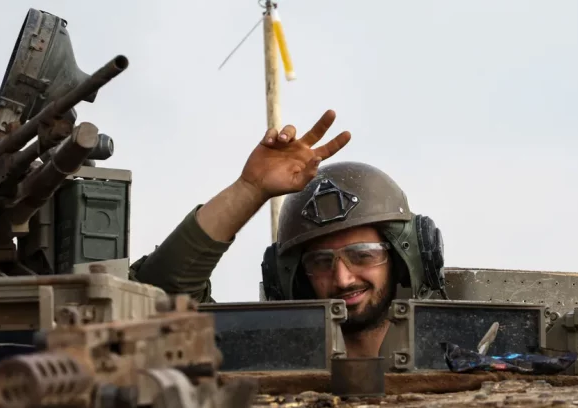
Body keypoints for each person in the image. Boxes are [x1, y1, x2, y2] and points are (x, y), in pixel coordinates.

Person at [130, 110, 447, 357]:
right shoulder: (269, 357)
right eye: (321, 262)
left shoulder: (459, 353)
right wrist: (249, 189)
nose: (343, 279)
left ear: (404, 258)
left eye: (362, 255)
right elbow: (161, 296)